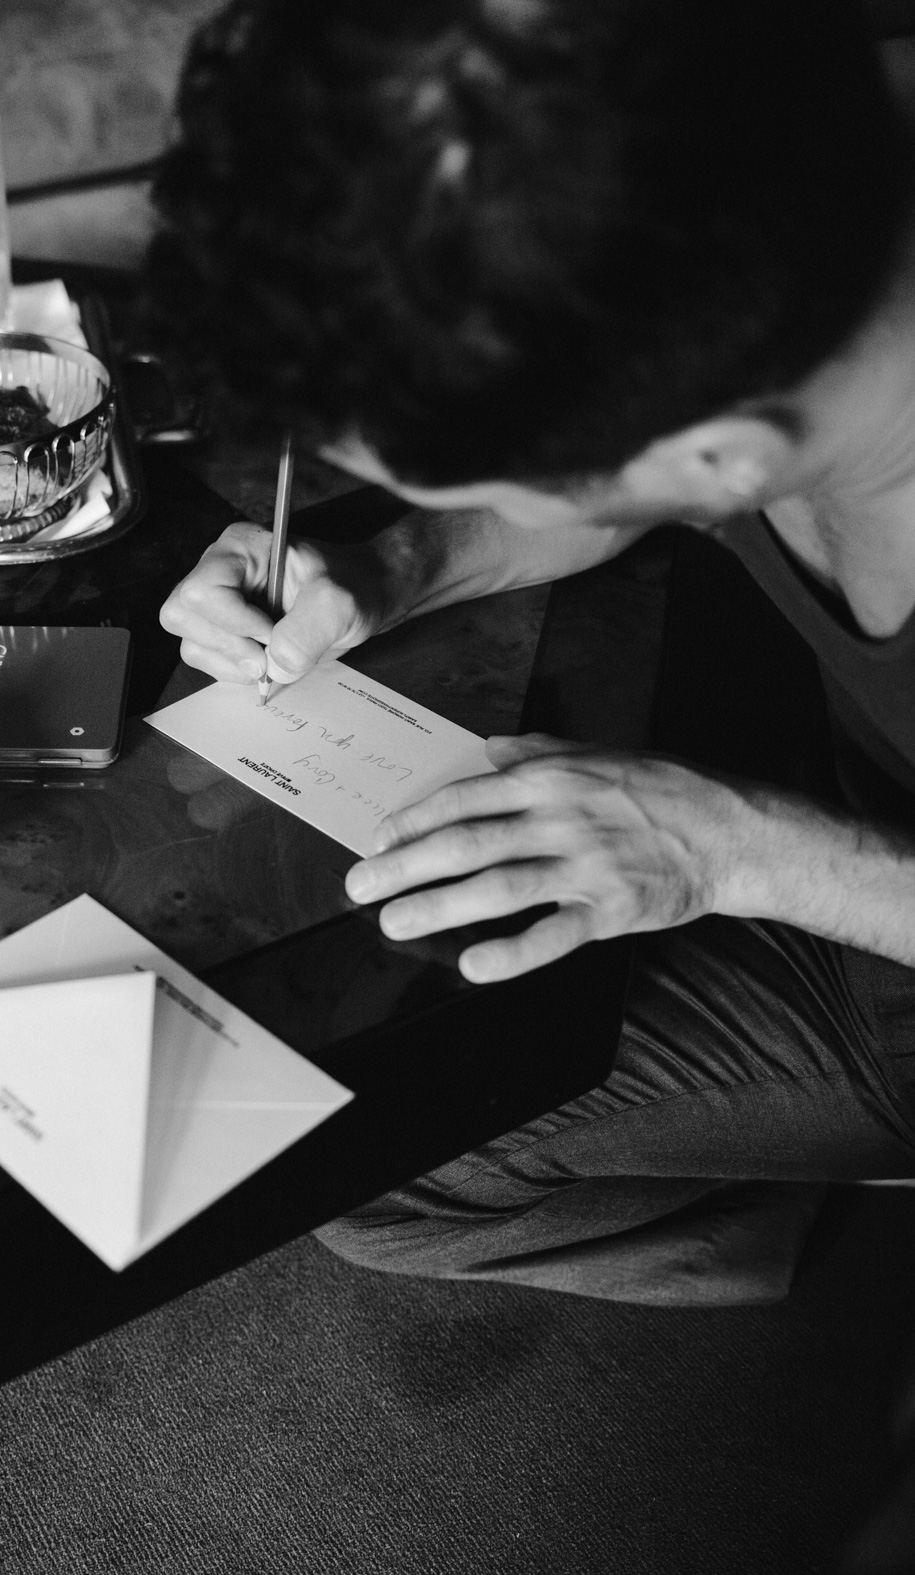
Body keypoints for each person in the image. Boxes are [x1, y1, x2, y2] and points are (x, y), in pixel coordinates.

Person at [150, 0, 915, 1306]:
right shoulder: (759, 182)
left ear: (717, 459)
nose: (459, 510)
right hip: (816, 760)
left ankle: (829, 1247)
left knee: (363, 1156)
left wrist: (736, 846)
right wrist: (397, 566)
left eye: (479, 482)